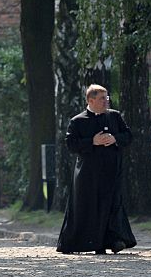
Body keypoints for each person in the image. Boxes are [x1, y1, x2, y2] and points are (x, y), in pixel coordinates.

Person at [56, 84, 137, 255]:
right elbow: (71, 145)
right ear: (90, 100)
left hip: (111, 171)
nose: (106, 101)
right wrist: (92, 142)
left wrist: (114, 138)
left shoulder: (114, 116)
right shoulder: (78, 121)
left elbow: (128, 136)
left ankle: (114, 240)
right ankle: (89, 242)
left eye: (107, 97)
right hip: (88, 175)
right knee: (90, 208)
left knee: (113, 205)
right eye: (102, 98)